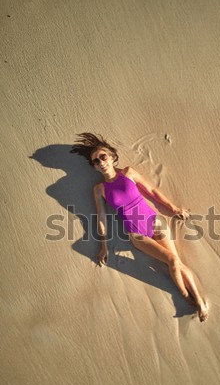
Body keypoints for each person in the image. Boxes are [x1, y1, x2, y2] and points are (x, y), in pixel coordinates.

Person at [71, 133, 208, 322]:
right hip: (137, 234)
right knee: (172, 261)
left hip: (155, 222)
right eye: (96, 161)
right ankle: (187, 297)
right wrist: (103, 245)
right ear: (94, 166)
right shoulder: (99, 189)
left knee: (176, 262)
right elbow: (101, 218)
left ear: (111, 157)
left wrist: (173, 208)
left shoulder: (128, 173)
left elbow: (151, 191)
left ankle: (198, 301)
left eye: (103, 157)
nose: (100, 162)